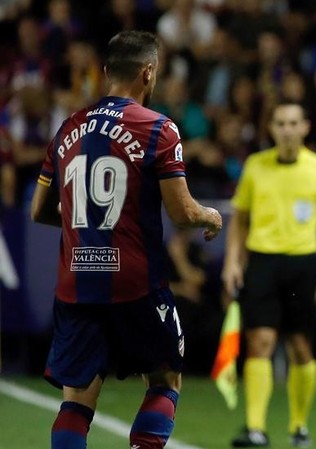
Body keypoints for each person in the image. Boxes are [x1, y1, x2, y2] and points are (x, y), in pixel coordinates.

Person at [30, 31, 223, 449]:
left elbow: (39, 211)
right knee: (164, 378)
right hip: (135, 283)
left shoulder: (68, 127)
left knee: (76, 401)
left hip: (77, 282)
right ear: (148, 72)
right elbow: (182, 212)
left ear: (105, 72)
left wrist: (84, 221)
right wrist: (210, 216)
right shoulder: (158, 128)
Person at [222, 101, 316, 448]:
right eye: (280, 123)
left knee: (301, 348)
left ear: (305, 127)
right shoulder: (255, 166)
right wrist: (232, 263)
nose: (287, 129)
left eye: (293, 123)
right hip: (262, 261)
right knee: (259, 342)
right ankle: (255, 428)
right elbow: (240, 219)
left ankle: (299, 426)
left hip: (303, 264)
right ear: (272, 128)